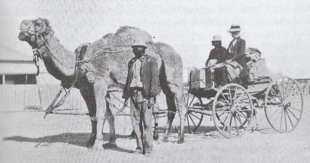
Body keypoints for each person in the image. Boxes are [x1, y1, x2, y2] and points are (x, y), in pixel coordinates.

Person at [122, 41, 161, 156]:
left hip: (145, 95)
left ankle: (148, 149)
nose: (137, 49)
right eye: (135, 47)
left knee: (147, 123)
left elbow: (155, 79)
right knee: (135, 123)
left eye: (139, 47)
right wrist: (126, 96)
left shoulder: (151, 60)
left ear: (144, 49)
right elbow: (128, 80)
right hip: (133, 94)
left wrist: (152, 96)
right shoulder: (132, 62)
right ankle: (139, 148)